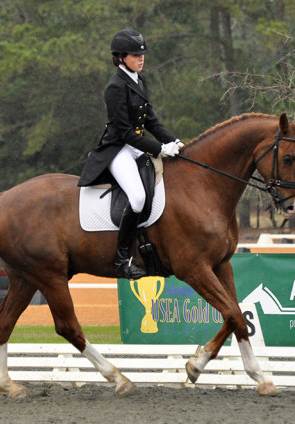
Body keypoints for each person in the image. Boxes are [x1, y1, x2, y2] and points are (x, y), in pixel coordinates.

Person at [78, 29, 183, 279]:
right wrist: (159, 148)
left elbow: (151, 122)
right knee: (136, 197)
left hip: (137, 146)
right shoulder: (115, 87)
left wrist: (173, 141)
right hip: (118, 150)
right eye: (136, 54)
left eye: (142, 54)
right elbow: (125, 133)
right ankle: (122, 259)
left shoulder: (139, 80)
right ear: (121, 57)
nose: (141, 58)